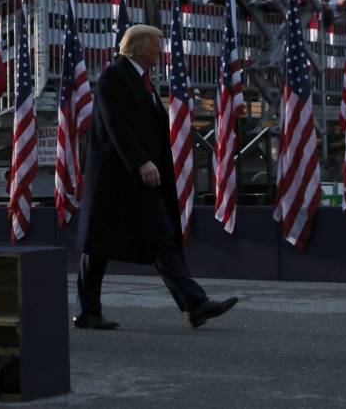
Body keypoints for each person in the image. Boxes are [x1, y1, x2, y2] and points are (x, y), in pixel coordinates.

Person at [75, 24, 238, 330]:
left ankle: (195, 304)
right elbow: (115, 124)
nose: (160, 50)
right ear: (137, 47)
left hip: (140, 179)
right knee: (97, 246)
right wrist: (141, 162)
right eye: (155, 44)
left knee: (160, 236)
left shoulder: (143, 80)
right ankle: (88, 311)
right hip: (117, 177)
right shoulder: (115, 75)